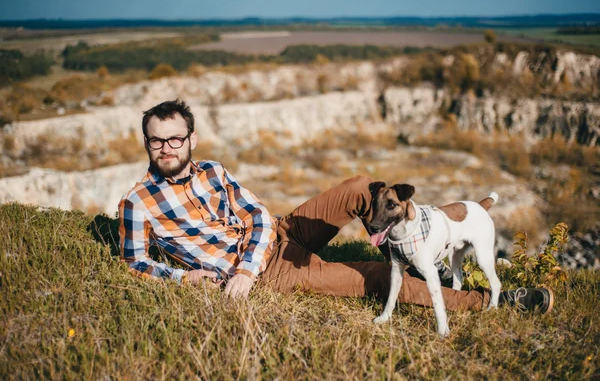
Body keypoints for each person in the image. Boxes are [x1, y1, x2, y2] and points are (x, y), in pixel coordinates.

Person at [118, 99, 554, 314]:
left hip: (278, 234)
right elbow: (135, 262)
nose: (167, 147)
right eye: (157, 139)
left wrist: (254, 257)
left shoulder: (213, 170)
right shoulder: (138, 203)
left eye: (176, 138)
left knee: (361, 188)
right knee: (379, 277)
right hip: (272, 272)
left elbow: (255, 216)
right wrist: (182, 277)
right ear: (147, 142)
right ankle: (488, 301)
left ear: (191, 139)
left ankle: (424, 251)